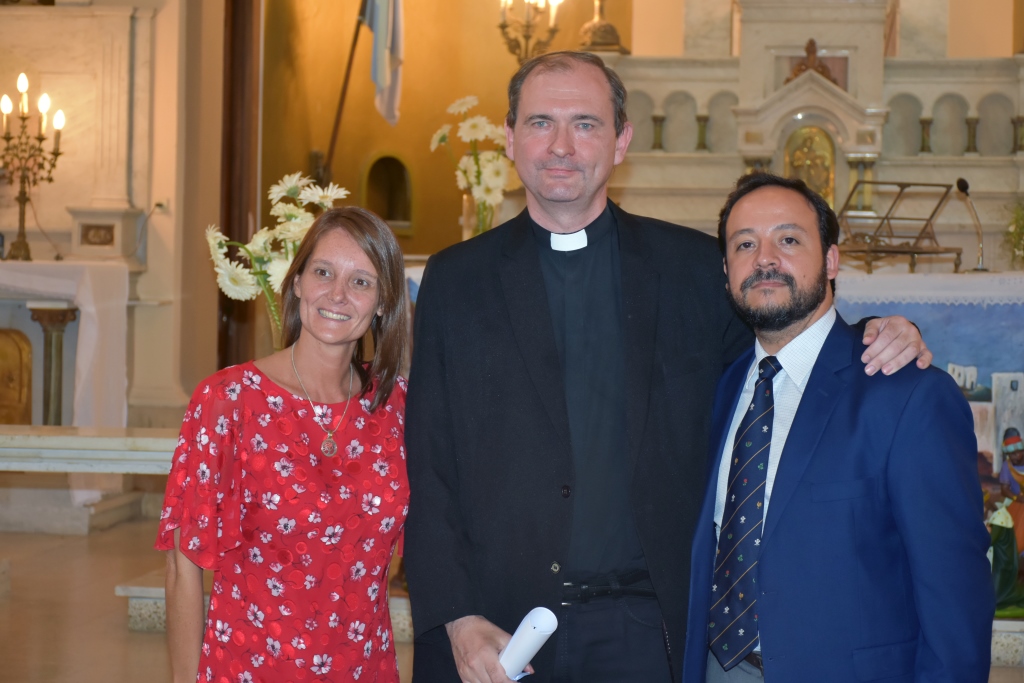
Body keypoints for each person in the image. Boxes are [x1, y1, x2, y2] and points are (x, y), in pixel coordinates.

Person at [404, 51, 931, 683]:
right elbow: (427, 461)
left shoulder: (692, 269)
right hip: (496, 627)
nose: (562, 145)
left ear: (622, 140)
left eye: (587, 124)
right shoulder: (456, 279)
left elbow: (792, 350)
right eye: (541, 122)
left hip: (647, 629)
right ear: (510, 138)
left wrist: (880, 333)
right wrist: (458, 618)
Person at [682, 173, 993, 682]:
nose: (764, 259)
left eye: (788, 239)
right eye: (745, 244)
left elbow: (954, 593)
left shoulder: (907, 394)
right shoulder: (717, 390)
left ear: (830, 259)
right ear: (725, 270)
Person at [157, 207, 409, 683]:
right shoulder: (229, 401)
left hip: (365, 669)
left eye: (361, 281)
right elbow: (183, 564)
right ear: (297, 284)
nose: (337, 294)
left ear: (382, 302)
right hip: (251, 667)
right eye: (323, 272)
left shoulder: (395, 406)